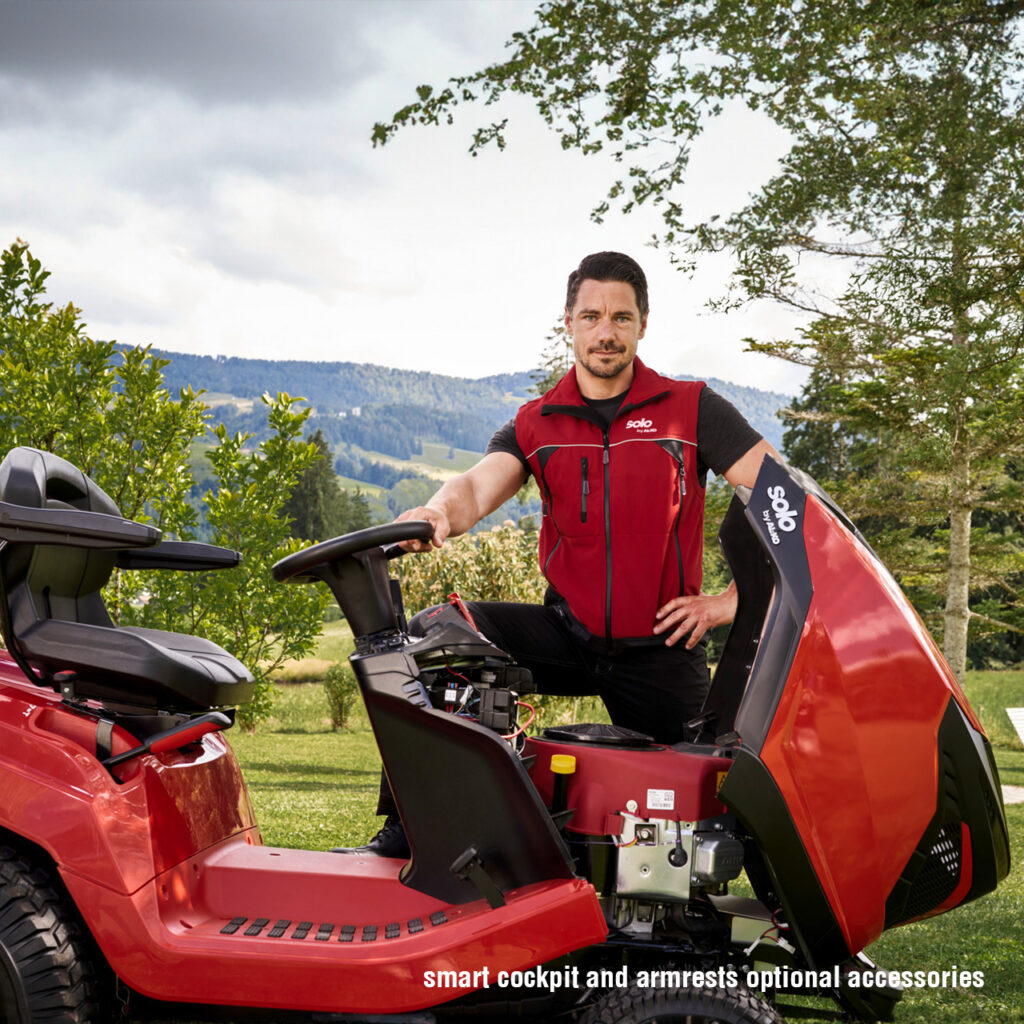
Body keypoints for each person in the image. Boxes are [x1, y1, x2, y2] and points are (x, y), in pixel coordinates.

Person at [334, 251, 781, 857]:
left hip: (662, 646)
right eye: (591, 316)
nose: (606, 332)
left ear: (643, 324)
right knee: (432, 640)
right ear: (568, 322)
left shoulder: (692, 409)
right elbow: (475, 489)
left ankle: (766, 908)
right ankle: (413, 828)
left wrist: (730, 602)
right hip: (566, 634)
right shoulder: (536, 422)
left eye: (621, 317)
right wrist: (436, 512)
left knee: (709, 814)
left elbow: (782, 498)